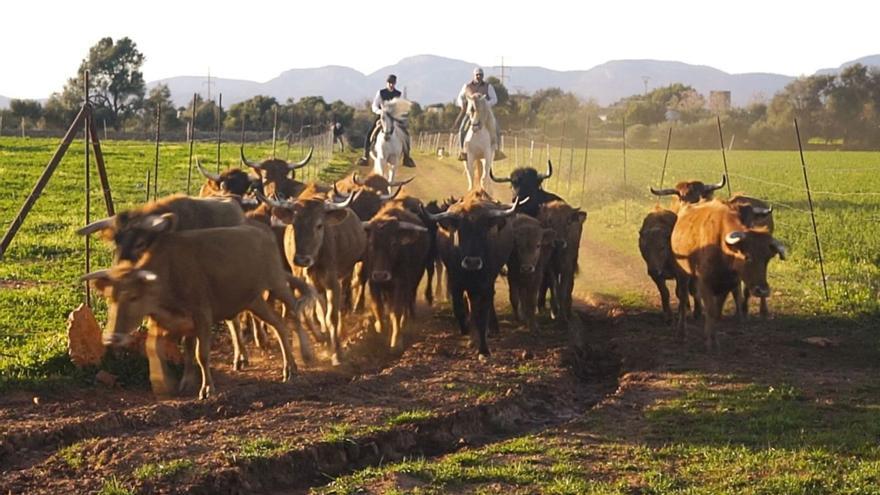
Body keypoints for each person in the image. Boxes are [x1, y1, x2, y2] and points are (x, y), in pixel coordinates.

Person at [357, 74, 416, 168]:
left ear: (395, 83)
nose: (391, 85)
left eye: (392, 83)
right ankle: (365, 156)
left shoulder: (398, 94)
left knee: (406, 135)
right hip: (382, 117)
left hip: (394, 118)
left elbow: (399, 107)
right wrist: (380, 111)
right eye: (389, 83)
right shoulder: (381, 93)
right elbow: (374, 106)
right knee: (369, 133)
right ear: (386, 83)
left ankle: (407, 157)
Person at [454, 67, 506, 162]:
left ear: (483, 76)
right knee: (462, 129)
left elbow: (495, 99)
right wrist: (462, 105)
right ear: (473, 75)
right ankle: (463, 151)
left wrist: (485, 104)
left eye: (480, 75)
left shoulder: (488, 86)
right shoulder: (467, 86)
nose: (479, 76)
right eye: (477, 75)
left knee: (496, 128)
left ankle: (497, 150)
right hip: (471, 112)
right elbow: (460, 98)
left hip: (485, 113)